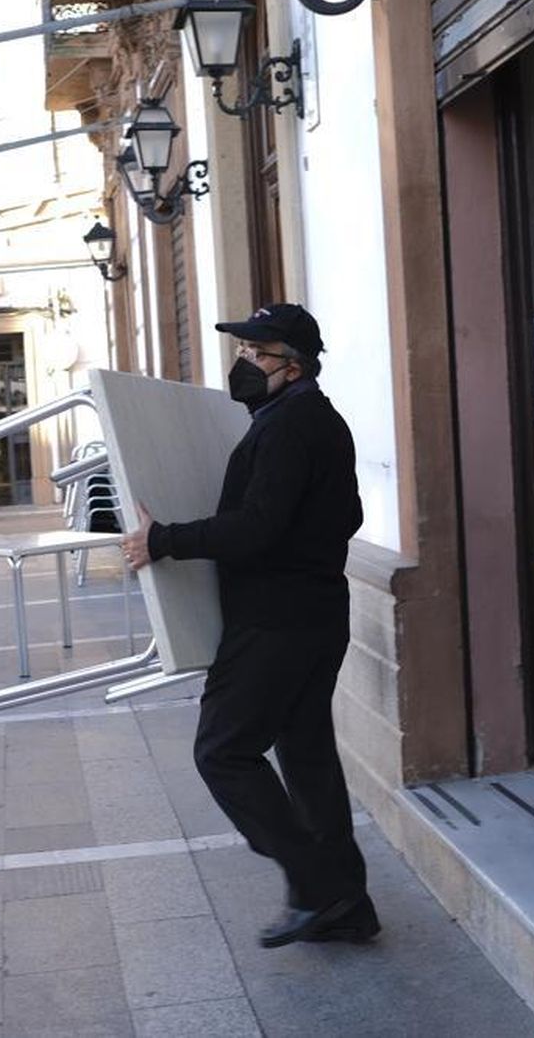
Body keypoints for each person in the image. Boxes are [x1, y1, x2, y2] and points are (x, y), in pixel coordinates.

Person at [121, 303, 379, 948]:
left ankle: (316, 885)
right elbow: (341, 516)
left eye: (254, 354)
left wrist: (165, 541)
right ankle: (348, 903)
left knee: (223, 752)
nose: (241, 363)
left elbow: (259, 528)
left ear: (290, 368)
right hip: (314, 614)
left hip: (276, 622)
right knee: (307, 755)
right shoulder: (309, 420)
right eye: (240, 351)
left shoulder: (290, 428)